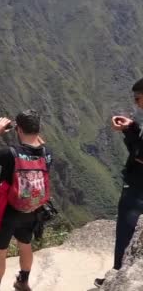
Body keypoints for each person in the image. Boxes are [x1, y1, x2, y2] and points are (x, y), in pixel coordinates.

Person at [0, 109, 52, 291]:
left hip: (8, 211)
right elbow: (39, 143)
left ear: (18, 129)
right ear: (38, 130)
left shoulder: (11, 153)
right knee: (25, 245)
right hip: (32, 209)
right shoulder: (47, 153)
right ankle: (23, 281)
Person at [94, 78, 143, 288]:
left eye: (138, 98)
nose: (136, 103)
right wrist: (132, 127)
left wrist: (128, 133)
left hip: (138, 184)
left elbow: (141, 154)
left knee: (127, 226)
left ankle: (118, 274)